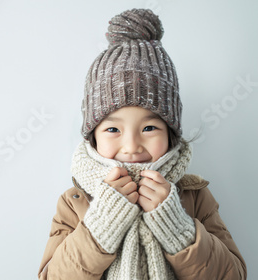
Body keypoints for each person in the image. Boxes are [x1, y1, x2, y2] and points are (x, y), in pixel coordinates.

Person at [37, 8, 246, 280]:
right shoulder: (75, 202)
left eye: (149, 128)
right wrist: (102, 224)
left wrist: (177, 227)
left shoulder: (194, 197)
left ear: (171, 133)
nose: (131, 146)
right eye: (113, 128)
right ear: (93, 136)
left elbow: (233, 275)